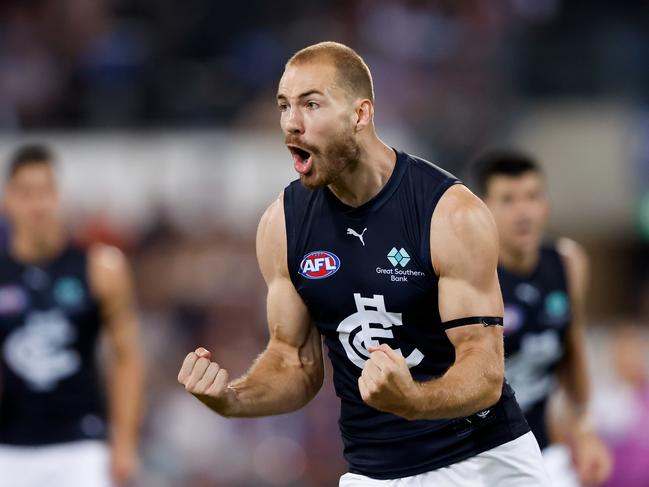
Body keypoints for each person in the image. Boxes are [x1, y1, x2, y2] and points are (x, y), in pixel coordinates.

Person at [178, 42, 550, 486]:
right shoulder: (283, 224)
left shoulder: (448, 213)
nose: (291, 124)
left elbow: (485, 371)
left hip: (486, 462)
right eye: (284, 106)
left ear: (360, 114)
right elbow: (295, 364)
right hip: (376, 473)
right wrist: (232, 398)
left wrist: (413, 400)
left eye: (311, 104)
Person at [0, 144, 143, 487]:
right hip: (10, 444)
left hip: (81, 443)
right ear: (8, 199)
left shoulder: (99, 269)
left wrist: (124, 443)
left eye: (44, 192)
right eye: (26, 193)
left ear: (58, 195)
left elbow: (127, 359)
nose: (37, 205)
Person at [474, 150, 612, 486]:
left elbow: (572, 348)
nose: (523, 211)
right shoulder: (470, 276)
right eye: (507, 199)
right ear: (483, 209)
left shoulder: (567, 263)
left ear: (545, 204)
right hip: (476, 457)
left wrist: (584, 428)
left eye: (532, 197)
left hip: (539, 449)